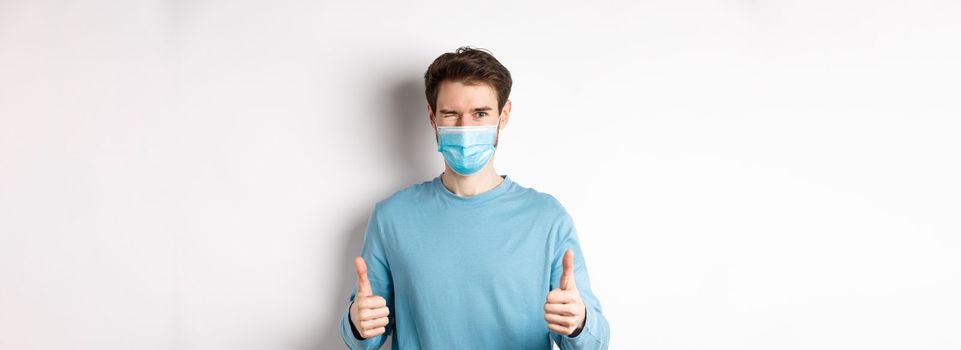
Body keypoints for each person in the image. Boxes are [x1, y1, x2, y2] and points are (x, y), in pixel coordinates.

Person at [340, 46, 610, 349]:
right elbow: (366, 337)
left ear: (503, 115)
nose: (466, 127)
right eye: (451, 114)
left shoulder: (546, 218)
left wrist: (578, 321)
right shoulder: (392, 217)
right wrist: (357, 322)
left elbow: (593, 343)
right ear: (432, 117)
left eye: (480, 114)